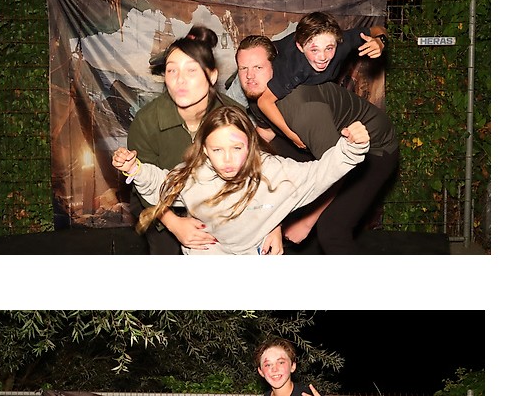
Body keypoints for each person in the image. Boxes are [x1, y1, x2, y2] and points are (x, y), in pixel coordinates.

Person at [113, 100, 370, 257]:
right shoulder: (195, 174)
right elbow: (160, 184)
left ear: (250, 146)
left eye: (237, 148)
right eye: (217, 150)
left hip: (255, 251)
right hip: (210, 249)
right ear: (205, 150)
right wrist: (135, 168)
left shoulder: (273, 171)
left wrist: (351, 147)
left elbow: (319, 173)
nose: (228, 159)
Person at [229, 35, 399, 254]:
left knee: (331, 230)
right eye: (243, 68)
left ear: (275, 68)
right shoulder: (260, 95)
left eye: (258, 67)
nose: (249, 76)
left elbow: (340, 167)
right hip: (329, 141)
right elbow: (264, 136)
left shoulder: (302, 110)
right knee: (273, 169)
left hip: (374, 150)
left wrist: (307, 221)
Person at [123, 27, 223, 254]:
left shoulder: (233, 117)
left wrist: (271, 225)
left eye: (191, 70)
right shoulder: (147, 121)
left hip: (219, 205)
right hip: (161, 206)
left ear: (212, 76)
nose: (180, 80)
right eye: (171, 70)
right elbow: (143, 183)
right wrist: (174, 224)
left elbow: (258, 174)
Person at [245, 11, 387, 149]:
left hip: (297, 84)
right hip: (258, 79)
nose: (322, 57)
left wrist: (380, 42)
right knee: (265, 122)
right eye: (314, 50)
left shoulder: (342, 43)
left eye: (329, 48)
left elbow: (379, 29)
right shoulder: (294, 68)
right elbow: (264, 102)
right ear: (300, 47)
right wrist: (292, 135)